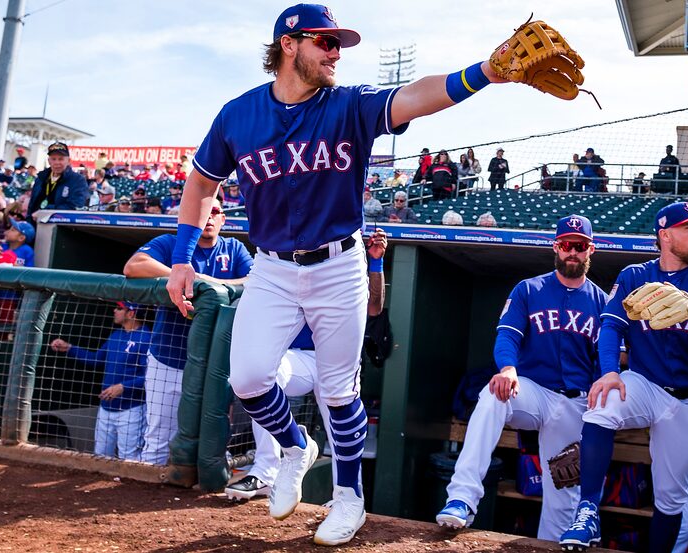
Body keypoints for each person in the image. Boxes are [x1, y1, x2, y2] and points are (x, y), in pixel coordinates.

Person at [165, 4, 509, 545]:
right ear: (288, 45)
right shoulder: (237, 114)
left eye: (338, 43)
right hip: (273, 267)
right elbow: (201, 184)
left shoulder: (348, 104)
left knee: (338, 390)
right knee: (248, 377)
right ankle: (297, 446)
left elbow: (417, 94)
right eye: (324, 41)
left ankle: (349, 497)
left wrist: (485, 72)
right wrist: (183, 257)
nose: (336, 51)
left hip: (338, 263)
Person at [559, 202, 688, 552]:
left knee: (671, 500)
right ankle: (587, 512)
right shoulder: (634, 275)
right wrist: (611, 371)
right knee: (602, 405)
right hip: (645, 384)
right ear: (665, 235)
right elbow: (611, 325)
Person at [438, 215, 607, 540]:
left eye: (580, 246)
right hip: (533, 392)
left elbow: (608, 358)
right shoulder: (529, 289)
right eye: (567, 245)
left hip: (576, 405)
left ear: (591, 250)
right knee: (492, 396)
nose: (573, 252)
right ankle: (462, 497)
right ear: (555, 247)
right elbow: (508, 335)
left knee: (563, 500)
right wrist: (508, 368)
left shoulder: (602, 302)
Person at [225, 228, 388, 501]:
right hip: (297, 356)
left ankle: (346, 497)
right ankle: (266, 470)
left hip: (332, 358)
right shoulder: (283, 256)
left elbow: (375, 308)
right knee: (261, 378)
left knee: (341, 411)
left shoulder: (346, 253)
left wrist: (377, 261)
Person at [124, 198, 253, 465]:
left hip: (215, 365)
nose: (208, 217)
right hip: (168, 359)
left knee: (213, 442)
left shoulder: (233, 248)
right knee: (158, 441)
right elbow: (134, 266)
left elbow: (255, 279)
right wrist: (180, 275)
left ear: (222, 219)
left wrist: (211, 283)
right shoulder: (171, 244)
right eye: (202, 211)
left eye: (214, 212)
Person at [50, 302, 151, 461]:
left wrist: (123, 387)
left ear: (131, 313)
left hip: (131, 409)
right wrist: (69, 348)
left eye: (119, 308)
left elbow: (151, 377)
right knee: (101, 456)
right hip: (106, 408)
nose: (114, 310)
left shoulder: (146, 338)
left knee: (130, 458)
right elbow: (96, 359)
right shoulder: (116, 335)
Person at [28, 142, 89, 221]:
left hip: (60, 227)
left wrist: (46, 212)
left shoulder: (78, 180)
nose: (57, 162)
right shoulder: (41, 178)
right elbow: (32, 205)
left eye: (61, 159)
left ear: (68, 160)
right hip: (35, 223)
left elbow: (76, 206)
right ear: (49, 161)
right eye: (53, 159)